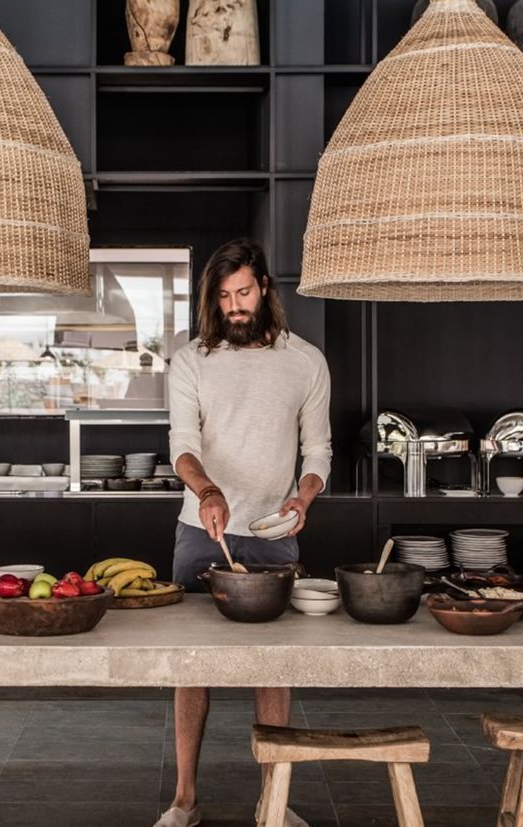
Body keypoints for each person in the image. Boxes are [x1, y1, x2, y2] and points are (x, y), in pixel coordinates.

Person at [156, 238, 332, 827]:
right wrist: (208, 491)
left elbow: (319, 449)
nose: (234, 306)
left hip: (275, 532)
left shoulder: (305, 361)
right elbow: (183, 446)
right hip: (202, 532)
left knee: (272, 666)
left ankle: (272, 802)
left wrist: (304, 494)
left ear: (264, 289)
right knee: (192, 666)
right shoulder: (191, 361)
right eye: (224, 296)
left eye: (244, 293)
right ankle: (184, 799)